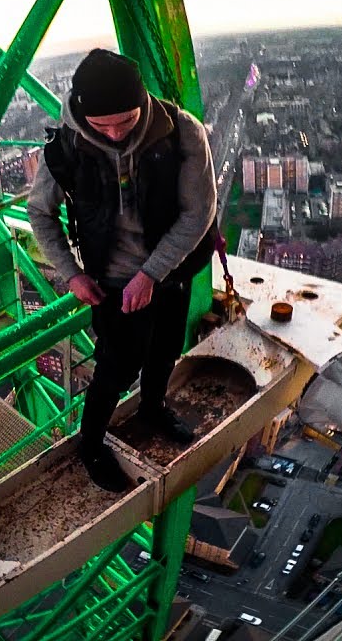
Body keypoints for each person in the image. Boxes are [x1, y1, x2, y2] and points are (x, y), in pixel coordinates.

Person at [28, 48, 218, 492]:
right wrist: (72, 274)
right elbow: (40, 213)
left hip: (169, 269)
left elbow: (198, 213)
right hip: (112, 280)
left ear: (143, 103)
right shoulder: (68, 146)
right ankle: (90, 443)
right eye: (101, 126)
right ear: (81, 114)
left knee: (166, 347)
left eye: (126, 121)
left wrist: (152, 274)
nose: (114, 134)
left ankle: (152, 408)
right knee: (116, 366)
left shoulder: (180, 132)